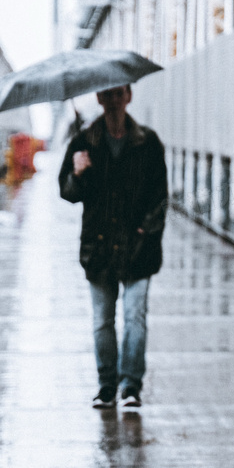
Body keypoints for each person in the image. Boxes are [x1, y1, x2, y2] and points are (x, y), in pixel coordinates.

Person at [59, 85, 168, 410]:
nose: (114, 100)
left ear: (129, 96)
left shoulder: (147, 142)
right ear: (99, 99)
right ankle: (107, 386)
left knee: (135, 317)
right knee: (102, 320)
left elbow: (160, 195)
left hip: (138, 246)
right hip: (100, 245)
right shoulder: (83, 143)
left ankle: (131, 386)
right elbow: (67, 192)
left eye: (119, 93)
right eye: (107, 95)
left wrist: (145, 228)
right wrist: (77, 173)